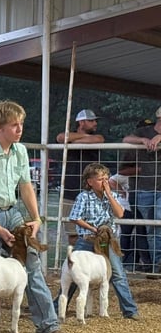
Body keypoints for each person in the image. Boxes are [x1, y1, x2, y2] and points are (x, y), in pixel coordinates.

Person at [0, 100, 65, 333]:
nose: (19, 129)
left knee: (32, 263)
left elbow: (26, 186)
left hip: (11, 211)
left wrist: (36, 218)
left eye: (21, 124)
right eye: (14, 125)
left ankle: (48, 324)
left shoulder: (20, 151)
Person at [56, 163, 140, 320]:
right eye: (101, 179)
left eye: (106, 179)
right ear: (90, 182)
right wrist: (93, 229)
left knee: (117, 274)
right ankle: (57, 307)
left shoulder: (112, 196)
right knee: (73, 270)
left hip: (107, 240)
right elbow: (75, 217)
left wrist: (109, 194)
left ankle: (130, 310)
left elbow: (120, 214)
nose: (105, 182)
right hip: (88, 239)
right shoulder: (84, 196)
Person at [122, 107, 161, 277]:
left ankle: (155, 264)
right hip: (144, 189)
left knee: (155, 225)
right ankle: (153, 265)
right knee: (149, 229)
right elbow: (126, 139)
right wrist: (143, 140)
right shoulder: (143, 132)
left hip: (152, 189)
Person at [56, 109, 104, 245]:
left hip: (91, 193)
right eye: (91, 121)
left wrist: (74, 142)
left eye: (95, 120)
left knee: (95, 231)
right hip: (70, 191)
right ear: (81, 122)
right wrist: (82, 138)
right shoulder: (68, 135)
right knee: (73, 233)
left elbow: (99, 139)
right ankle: (76, 256)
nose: (95, 123)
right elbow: (60, 137)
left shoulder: (97, 137)